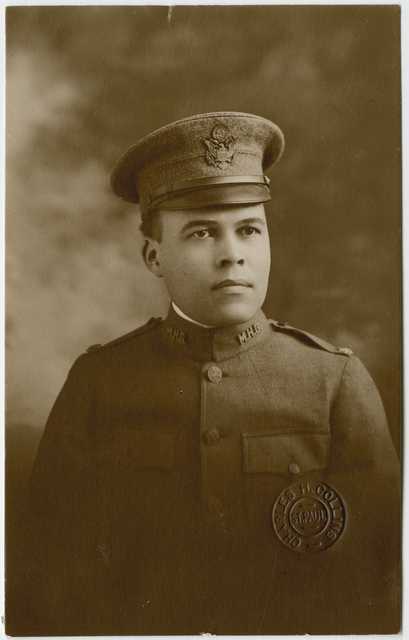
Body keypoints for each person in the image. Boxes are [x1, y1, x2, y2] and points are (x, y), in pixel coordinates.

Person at [26, 112, 400, 635]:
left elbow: (382, 586)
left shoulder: (334, 383)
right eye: (202, 233)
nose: (233, 256)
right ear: (155, 256)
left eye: (249, 230)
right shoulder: (100, 385)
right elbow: (49, 579)